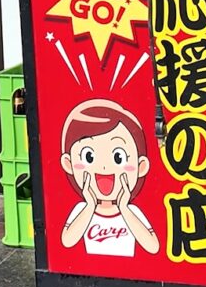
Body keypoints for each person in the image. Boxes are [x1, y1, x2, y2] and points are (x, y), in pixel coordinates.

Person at [60, 99, 158, 256]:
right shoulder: (82, 209)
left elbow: (153, 247)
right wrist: (90, 206)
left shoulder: (131, 210)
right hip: (90, 267)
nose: (104, 167)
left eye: (118, 157)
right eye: (89, 157)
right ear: (68, 163)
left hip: (130, 268)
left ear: (141, 166)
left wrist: (124, 208)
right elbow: (67, 241)